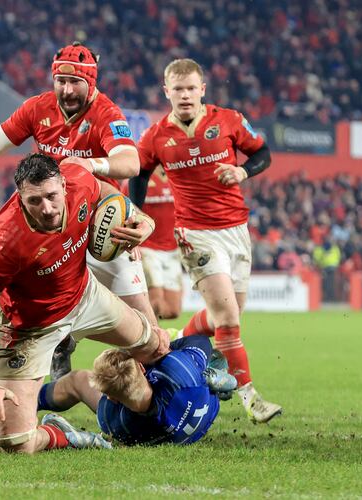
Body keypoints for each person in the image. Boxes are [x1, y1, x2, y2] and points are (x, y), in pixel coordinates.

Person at [0, 42, 157, 380]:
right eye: (60, 81)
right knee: (44, 303)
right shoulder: (38, 108)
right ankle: (58, 344)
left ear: (91, 83)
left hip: (101, 220)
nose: (67, 90)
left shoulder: (107, 113)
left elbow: (130, 163)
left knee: (147, 324)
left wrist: (90, 165)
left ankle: (162, 380)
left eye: (76, 83)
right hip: (52, 223)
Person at [0, 153, 169, 454]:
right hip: (29, 329)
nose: (46, 208)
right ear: (19, 196)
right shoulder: (3, 241)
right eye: (34, 201)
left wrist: (141, 218)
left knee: (156, 343)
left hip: (85, 297)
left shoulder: (79, 179)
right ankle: (62, 433)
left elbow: (106, 193)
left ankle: (180, 397)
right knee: (15, 443)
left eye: (51, 196)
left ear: (64, 186)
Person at [131, 58, 281, 424]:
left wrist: (243, 170)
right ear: (167, 92)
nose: (184, 95)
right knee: (229, 317)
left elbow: (263, 153)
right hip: (195, 234)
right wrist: (135, 215)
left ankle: (178, 337)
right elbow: (139, 174)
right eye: (177, 89)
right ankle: (249, 397)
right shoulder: (155, 137)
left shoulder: (228, 120)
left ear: (203, 90)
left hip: (236, 231)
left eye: (190, 88)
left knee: (223, 320)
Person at [37, 335, 236, 446]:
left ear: (110, 398)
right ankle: (210, 375)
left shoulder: (113, 421)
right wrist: (158, 352)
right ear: (141, 367)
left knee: (78, 380)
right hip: (204, 408)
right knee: (215, 358)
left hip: (161, 431)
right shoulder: (179, 370)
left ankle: (31, 400)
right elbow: (201, 340)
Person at [128, 166, 183, 319]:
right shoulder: (139, 179)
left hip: (172, 250)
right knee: (156, 302)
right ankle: (147, 339)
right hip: (147, 248)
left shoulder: (177, 177)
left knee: (173, 311)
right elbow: (127, 211)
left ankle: (134, 321)